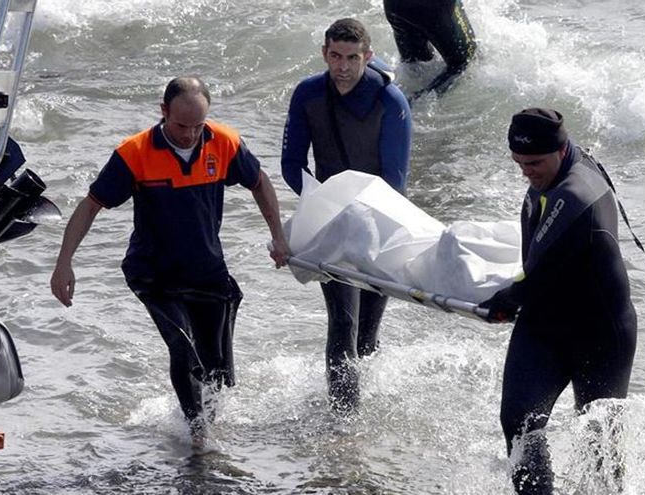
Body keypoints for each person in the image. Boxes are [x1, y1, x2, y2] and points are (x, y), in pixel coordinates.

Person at [50, 77, 290, 438]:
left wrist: (278, 236)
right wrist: (63, 262)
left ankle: (208, 425)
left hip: (207, 271)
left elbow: (259, 182)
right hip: (154, 274)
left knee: (214, 369)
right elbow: (90, 205)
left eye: (198, 126)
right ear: (163, 112)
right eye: (181, 126)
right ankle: (198, 437)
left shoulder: (223, 142)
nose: (191, 135)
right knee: (182, 346)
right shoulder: (134, 153)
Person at [479, 108, 638, 494]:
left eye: (533, 162)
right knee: (518, 423)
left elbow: (532, 278)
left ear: (561, 148)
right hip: (545, 326)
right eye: (518, 163)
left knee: (600, 445)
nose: (526, 172)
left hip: (601, 334)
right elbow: (536, 268)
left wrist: (503, 301)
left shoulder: (575, 194)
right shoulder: (557, 168)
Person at [281, 18, 412, 414]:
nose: (342, 66)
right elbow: (291, 164)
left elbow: (395, 180)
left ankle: (360, 408)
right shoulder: (307, 94)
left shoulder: (390, 101)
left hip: (381, 221)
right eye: (335, 56)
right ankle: (343, 424)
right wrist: (322, 205)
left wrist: (362, 218)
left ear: (368, 57)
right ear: (324, 53)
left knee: (367, 335)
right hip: (331, 221)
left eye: (352, 58)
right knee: (343, 322)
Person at [383, 0, 478, 101]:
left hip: (393, 7)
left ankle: (392, 102)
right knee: (465, 60)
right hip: (433, 7)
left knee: (415, 62)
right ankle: (412, 105)